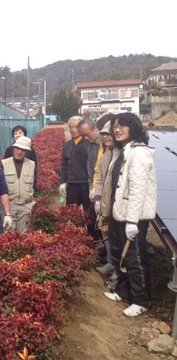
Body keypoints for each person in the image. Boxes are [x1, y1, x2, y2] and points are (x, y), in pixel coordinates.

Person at [103, 112, 157, 317]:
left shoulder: (139, 153)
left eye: (122, 125)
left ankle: (142, 300)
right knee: (119, 255)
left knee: (134, 258)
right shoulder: (122, 151)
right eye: (115, 126)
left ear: (133, 128)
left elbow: (137, 190)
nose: (117, 129)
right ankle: (123, 291)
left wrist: (133, 221)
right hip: (120, 215)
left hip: (133, 217)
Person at [92, 120, 120, 286]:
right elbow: (100, 178)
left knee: (117, 240)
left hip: (116, 205)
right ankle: (110, 264)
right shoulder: (105, 155)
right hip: (104, 203)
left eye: (109, 134)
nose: (107, 137)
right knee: (105, 234)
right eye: (105, 134)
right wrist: (97, 197)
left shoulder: (121, 154)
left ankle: (117, 277)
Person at [1, 136, 37, 234]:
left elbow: (34, 184)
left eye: (23, 150)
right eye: (17, 148)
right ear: (13, 149)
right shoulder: (3, 164)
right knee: (9, 234)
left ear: (27, 152)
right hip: (9, 205)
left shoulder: (32, 164)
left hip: (26, 205)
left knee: (23, 235)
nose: (19, 152)